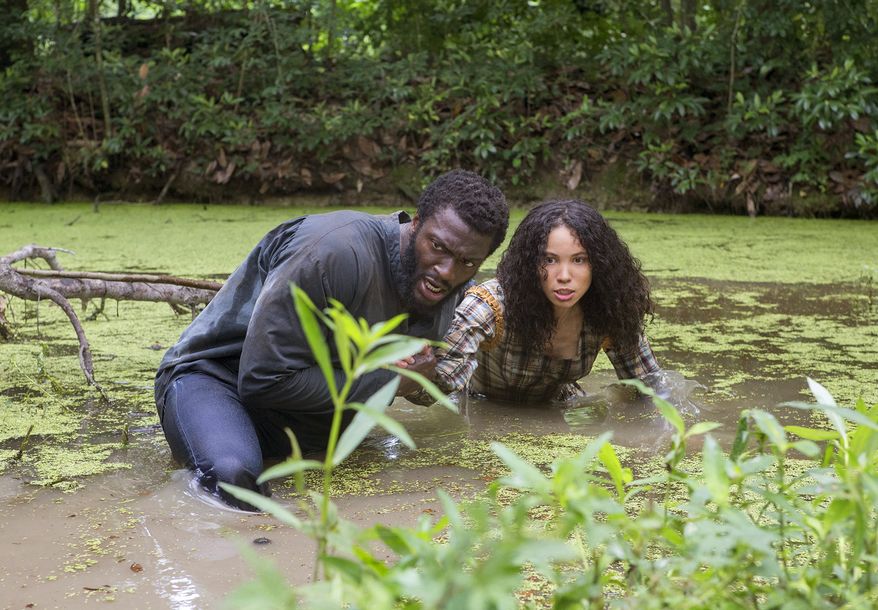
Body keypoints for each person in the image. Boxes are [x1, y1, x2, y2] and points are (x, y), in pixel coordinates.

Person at [154, 170, 509, 508]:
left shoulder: (452, 286)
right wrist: (389, 381)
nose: (446, 271)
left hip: (310, 414)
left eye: (466, 262)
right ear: (415, 222)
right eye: (437, 247)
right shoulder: (332, 253)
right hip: (217, 381)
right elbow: (261, 379)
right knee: (234, 480)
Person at [408, 199, 664, 406]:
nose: (564, 277)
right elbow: (431, 391)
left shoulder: (609, 310)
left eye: (579, 260)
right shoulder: (491, 305)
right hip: (480, 408)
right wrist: (411, 368)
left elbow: (652, 391)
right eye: (550, 260)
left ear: (599, 264)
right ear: (530, 263)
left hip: (561, 410)